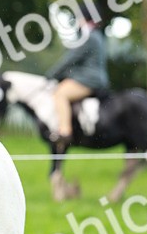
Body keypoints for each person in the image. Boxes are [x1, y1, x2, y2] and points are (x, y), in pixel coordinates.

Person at [46, 16, 109, 146]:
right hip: (93, 78)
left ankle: (64, 132)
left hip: (89, 79)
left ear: (84, 18)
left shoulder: (88, 37)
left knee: (60, 93)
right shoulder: (96, 35)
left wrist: (51, 75)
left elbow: (70, 60)